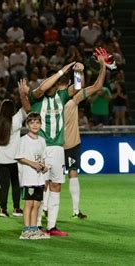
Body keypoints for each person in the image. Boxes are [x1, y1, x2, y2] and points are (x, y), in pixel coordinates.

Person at [29, 61, 82, 237]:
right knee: (40, 186)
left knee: (56, 186)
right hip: (41, 148)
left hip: (58, 149)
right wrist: (60, 72)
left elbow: (78, 87)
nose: (52, 86)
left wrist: (78, 73)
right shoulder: (36, 97)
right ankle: (36, 225)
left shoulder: (62, 96)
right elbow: (43, 87)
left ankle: (52, 226)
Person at [64, 49, 108, 219]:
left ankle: (46, 210)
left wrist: (78, 72)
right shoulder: (73, 100)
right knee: (70, 174)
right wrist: (99, 67)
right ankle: (74, 211)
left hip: (58, 144)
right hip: (67, 143)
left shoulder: (53, 99)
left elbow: (79, 86)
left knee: (51, 179)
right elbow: (92, 86)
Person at [0, 80, 31, 218]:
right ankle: (16, 208)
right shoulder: (15, 121)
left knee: (3, 185)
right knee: (15, 185)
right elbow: (27, 108)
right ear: (12, 110)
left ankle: (2, 209)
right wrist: (23, 95)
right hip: (14, 160)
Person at [16, 112, 50, 240]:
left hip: (39, 177)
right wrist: (33, 164)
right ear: (27, 125)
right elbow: (19, 157)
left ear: (41, 124)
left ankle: (34, 228)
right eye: (32, 122)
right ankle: (26, 230)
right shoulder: (23, 140)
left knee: (37, 204)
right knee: (29, 203)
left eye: (37, 122)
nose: (35, 125)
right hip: (28, 177)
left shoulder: (42, 140)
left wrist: (43, 166)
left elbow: (43, 157)